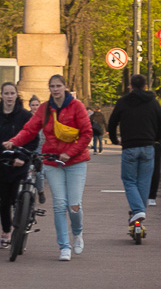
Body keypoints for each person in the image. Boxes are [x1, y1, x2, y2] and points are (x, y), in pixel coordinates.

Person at [3, 74, 93, 260]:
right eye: (52, 86)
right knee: (59, 205)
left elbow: (87, 133)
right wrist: (14, 141)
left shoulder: (76, 106)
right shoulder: (44, 109)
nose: (55, 89)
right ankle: (64, 247)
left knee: (74, 205)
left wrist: (70, 153)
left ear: (65, 86)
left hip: (75, 161)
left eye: (58, 85)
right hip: (52, 161)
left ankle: (77, 232)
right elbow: (29, 129)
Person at [107, 74, 161, 238]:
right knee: (144, 181)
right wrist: (158, 140)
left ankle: (138, 210)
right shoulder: (152, 102)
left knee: (129, 180)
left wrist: (115, 140)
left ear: (130, 86)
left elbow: (112, 122)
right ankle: (139, 214)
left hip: (129, 147)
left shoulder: (123, 102)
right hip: (148, 147)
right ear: (145, 85)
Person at [0, 81, 37, 250]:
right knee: (3, 201)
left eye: (11, 93)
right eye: (6, 93)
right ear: (1, 95)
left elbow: (32, 138)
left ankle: (20, 227)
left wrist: (22, 156)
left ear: (17, 95)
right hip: (2, 163)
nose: (9, 97)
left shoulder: (24, 116)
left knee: (18, 199)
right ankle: (6, 232)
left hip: (20, 162)